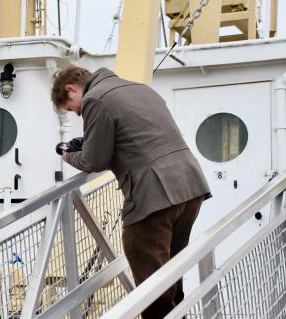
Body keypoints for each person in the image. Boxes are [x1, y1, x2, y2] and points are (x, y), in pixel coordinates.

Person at [51, 66, 210, 318]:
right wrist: (88, 142)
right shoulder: (139, 88)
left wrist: (68, 154)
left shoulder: (95, 99)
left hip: (155, 193)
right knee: (172, 269)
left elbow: (95, 161)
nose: (77, 113)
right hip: (189, 186)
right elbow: (133, 134)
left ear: (71, 89)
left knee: (150, 277)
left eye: (72, 107)